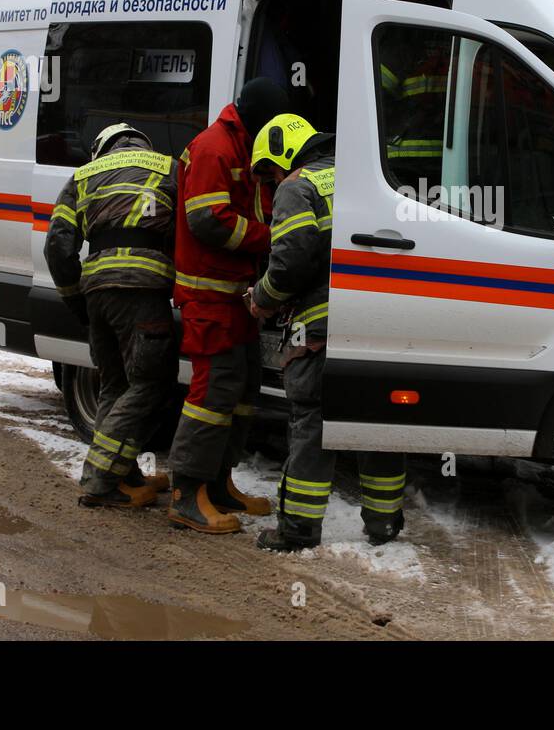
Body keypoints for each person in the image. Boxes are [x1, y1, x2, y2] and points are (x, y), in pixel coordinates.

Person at [246, 114, 406, 552]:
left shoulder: (298, 188)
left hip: (320, 327)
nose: (273, 180)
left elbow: (292, 262)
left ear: (284, 154)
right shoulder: (367, 175)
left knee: (312, 424)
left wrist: (262, 298)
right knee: (375, 422)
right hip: (380, 322)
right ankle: (384, 523)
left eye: (270, 171)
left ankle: (298, 528)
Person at [166, 78, 290, 534]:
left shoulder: (246, 148)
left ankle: (218, 484)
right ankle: (185, 495)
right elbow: (207, 220)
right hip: (209, 295)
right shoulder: (215, 147)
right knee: (211, 395)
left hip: (237, 297)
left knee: (241, 395)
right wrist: (271, 239)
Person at [43, 123, 178, 509]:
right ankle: (100, 479)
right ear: (141, 142)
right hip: (143, 290)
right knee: (151, 385)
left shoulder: (83, 176)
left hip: (97, 293)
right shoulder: (168, 168)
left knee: (114, 387)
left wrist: (76, 300)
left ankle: (123, 475)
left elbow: (57, 245)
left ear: (102, 148)